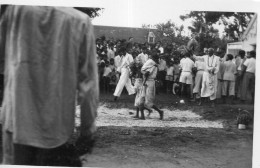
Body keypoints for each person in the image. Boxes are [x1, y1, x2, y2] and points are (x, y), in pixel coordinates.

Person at [0, 6, 98, 165]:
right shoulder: (80, 21)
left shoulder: (16, 11)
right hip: (56, 128)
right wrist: (87, 130)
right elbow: (88, 84)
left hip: (17, 122)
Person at [141, 50, 164, 120]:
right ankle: (154, 111)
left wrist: (145, 74)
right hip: (148, 81)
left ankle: (159, 111)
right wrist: (145, 74)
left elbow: (143, 70)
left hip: (149, 81)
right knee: (144, 98)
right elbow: (143, 70)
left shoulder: (152, 63)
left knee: (147, 99)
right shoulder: (152, 62)